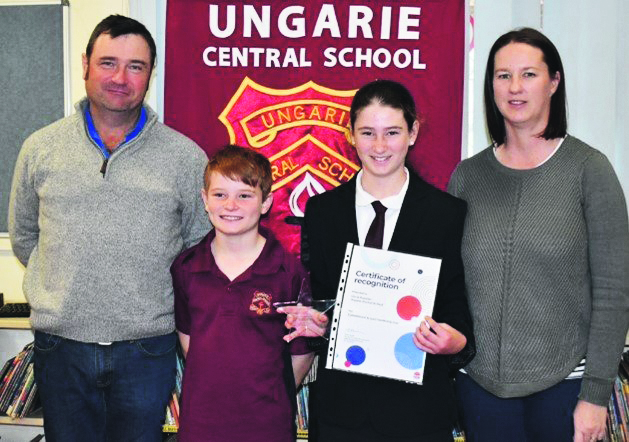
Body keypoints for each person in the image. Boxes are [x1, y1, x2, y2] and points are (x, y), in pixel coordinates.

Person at [8, 15, 210, 441]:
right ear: (85, 65)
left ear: (150, 74)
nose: (120, 77)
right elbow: (25, 237)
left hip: (147, 348)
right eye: (108, 63)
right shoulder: (40, 148)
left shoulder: (185, 157)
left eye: (135, 66)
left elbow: (198, 247)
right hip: (60, 345)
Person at [447, 27, 629, 442]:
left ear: (554, 82)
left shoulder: (589, 169)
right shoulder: (467, 177)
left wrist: (596, 396)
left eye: (528, 74)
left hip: (567, 389)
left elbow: (614, 292)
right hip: (480, 390)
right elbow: (448, 282)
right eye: (502, 74)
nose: (514, 87)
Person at [283, 79, 475, 442]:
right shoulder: (323, 211)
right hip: (343, 411)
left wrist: (452, 341)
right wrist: (316, 322)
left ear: (413, 132)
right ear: (351, 134)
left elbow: (457, 308)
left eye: (392, 132)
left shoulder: (446, 214)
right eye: (368, 132)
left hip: (418, 411)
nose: (380, 146)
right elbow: (324, 301)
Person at [170, 145, 315, 441]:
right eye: (220, 195)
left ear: (266, 203)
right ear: (204, 200)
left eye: (244, 195)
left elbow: (300, 357)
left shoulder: (289, 273)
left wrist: (262, 395)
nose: (230, 205)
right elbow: (189, 344)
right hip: (201, 424)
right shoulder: (186, 268)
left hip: (266, 425)